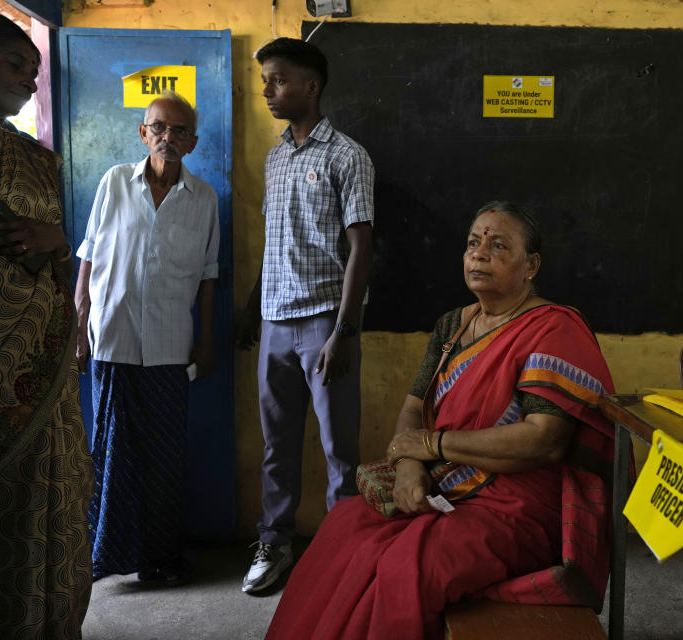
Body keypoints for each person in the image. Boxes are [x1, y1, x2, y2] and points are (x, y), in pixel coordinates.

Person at [265, 201, 616, 639]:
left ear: (531, 266)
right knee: (345, 524)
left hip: (517, 507)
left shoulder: (553, 330)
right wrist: (409, 468)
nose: (479, 253)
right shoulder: (451, 326)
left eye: (498, 244)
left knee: (408, 565)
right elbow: (414, 408)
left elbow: (542, 442)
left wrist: (430, 447)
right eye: (473, 242)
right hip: (443, 485)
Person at [236, 37, 374, 594]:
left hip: (325, 322)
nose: (268, 90)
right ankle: (275, 542)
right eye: (266, 80)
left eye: (278, 79)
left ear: (311, 87)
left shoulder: (347, 155)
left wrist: (344, 330)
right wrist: (252, 308)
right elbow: (276, 243)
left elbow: (361, 248)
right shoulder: (274, 157)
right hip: (274, 320)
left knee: (339, 447)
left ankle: (343, 552)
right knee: (278, 443)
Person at [75, 92, 220, 586]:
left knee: (163, 459)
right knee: (112, 450)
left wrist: (206, 341)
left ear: (194, 142)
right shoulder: (115, 182)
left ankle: (160, 558)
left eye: (180, 131)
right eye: (159, 128)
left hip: (169, 344)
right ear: (143, 133)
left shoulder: (204, 199)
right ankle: (105, 556)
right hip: (111, 338)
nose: (168, 138)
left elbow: (207, 275)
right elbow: (89, 254)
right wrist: (79, 322)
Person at [0, 8, 93, 637]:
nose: (29, 79)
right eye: (15, 64)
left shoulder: (35, 162)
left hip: (37, 377)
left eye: (35, 69)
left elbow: (57, 270)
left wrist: (55, 241)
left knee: (40, 518)